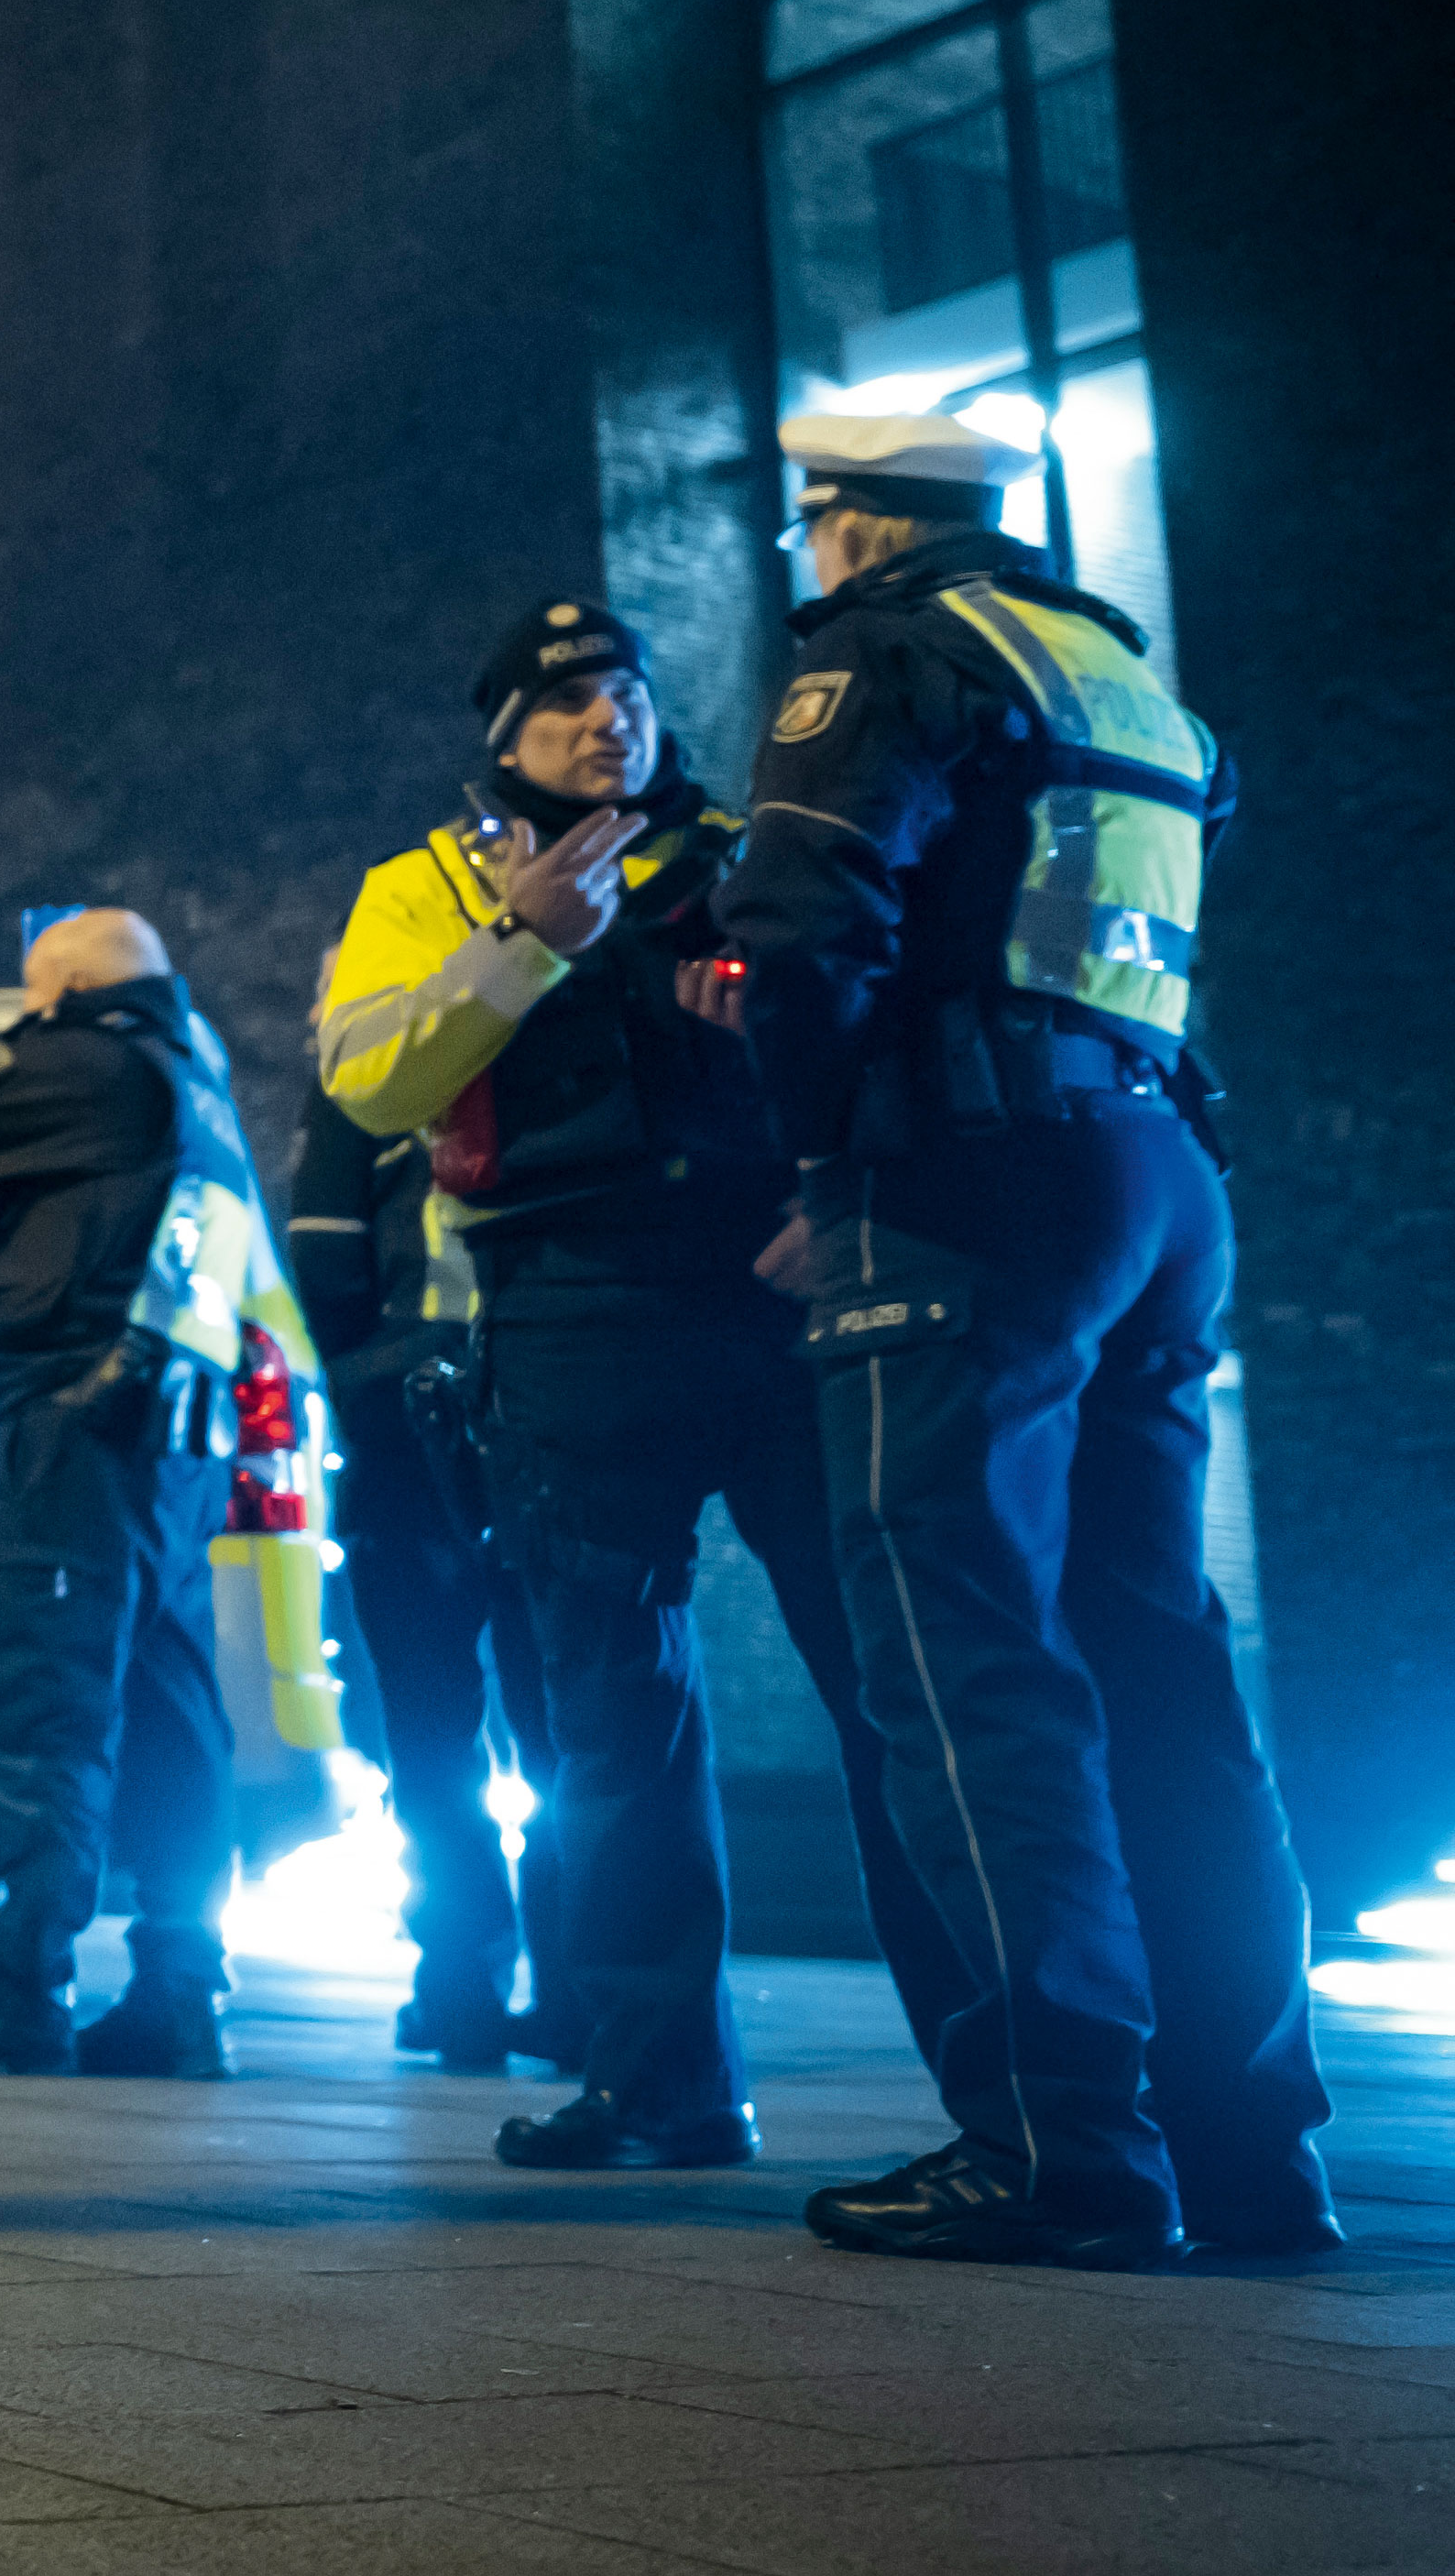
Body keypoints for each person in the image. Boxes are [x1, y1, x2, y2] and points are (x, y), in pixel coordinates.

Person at [723, 407, 1328, 2270]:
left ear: (843, 529)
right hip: (1154, 1165)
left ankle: (1054, 2147)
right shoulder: (1124, 676)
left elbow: (804, 928)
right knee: (1160, 1657)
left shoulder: (889, 659)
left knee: (967, 1655)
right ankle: (1249, 2151)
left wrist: (828, 1165)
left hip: (972, 1187)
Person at [314, 601, 979, 2171]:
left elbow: (890, 1013)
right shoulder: (425, 890)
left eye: (623, 695)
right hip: (569, 1313)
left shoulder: (760, 847)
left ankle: (1008, 2083)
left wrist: (836, 1164)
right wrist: (524, 936)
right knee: (612, 1724)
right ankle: (658, 2083)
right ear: (504, 742)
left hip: (772, 1293)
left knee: (893, 1683)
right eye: (565, 707)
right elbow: (371, 1076)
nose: (607, 722)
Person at [0, 909, 262, 2081]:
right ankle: (180, 1995)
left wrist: (8, 1061)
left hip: (82, 1429)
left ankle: (23, 1990)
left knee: (43, 1711)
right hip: (177, 1443)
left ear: (67, 991)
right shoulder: (201, 1079)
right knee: (176, 1724)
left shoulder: (81, 1059)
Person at [279, 1076, 574, 2072]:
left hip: (405, 1417)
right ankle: (581, 1985)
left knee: (430, 1727)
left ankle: (460, 1985)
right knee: (562, 1718)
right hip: (538, 1395)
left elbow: (323, 1255)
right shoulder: (541, 1047)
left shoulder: (360, 1083)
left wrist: (355, 1371)